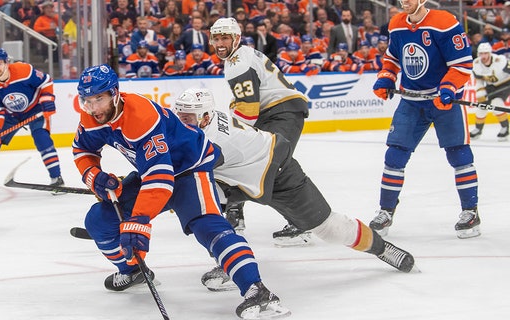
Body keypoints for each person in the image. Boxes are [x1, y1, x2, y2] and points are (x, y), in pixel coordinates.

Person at [74, 64, 290, 319]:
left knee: (209, 228)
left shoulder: (141, 116)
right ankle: (133, 271)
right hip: (155, 172)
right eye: (87, 100)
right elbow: (83, 151)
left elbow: (160, 177)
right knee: (99, 219)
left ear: (115, 94)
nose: (94, 107)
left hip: (189, 168)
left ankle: (257, 291)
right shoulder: (91, 118)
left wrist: (138, 221)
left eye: (99, 98)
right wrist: (95, 176)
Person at [173, 88, 416, 290]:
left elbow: (182, 168)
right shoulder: (204, 124)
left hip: (278, 174)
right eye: (180, 115)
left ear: (206, 116)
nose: (182, 122)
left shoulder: (213, 139)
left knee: (329, 228)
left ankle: (383, 249)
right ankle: (229, 262)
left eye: (188, 118)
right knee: (205, 215)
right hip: (238, 177)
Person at [370, 0, 480, 239]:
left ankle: (470, 212)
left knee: (459, 154)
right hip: (411, 101)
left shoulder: (445, 22)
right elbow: (392, 58)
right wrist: (387, 77)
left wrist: (449, 87)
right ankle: (386, 211)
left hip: (444, 102)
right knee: (394, 156)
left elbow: (462, 64)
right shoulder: (396, 24)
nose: (404, 2)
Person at [210, 17, 312, 246]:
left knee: (272, 166)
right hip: (278, 112)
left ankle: (301, 222)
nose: (220, 43)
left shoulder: (238, 62)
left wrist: (231, 136)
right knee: (255, 163)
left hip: (282, 112)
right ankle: (235, 213)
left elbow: (247, 111)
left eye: (224, 37)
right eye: (216, 38)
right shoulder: (242, 55)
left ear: (235, 38)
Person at [0, 48, 63, 194]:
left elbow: (46, 81)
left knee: (42, 138)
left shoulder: (23, 70)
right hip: (11, 115)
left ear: (7, 63)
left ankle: (56, 178)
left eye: (0, 64)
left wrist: (47, 100)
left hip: (36, 109)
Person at [470, 42, 510, 141]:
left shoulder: (500, 60)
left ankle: (505, 128)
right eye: (481, 53)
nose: (483, 56)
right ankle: (478, 129)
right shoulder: (476, 63)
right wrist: (480, 91)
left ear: (490, 53)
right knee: (482, 105)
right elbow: (479, 80)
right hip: (491, 86)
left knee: (497, 103)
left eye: (485, 53)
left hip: (505, 83)